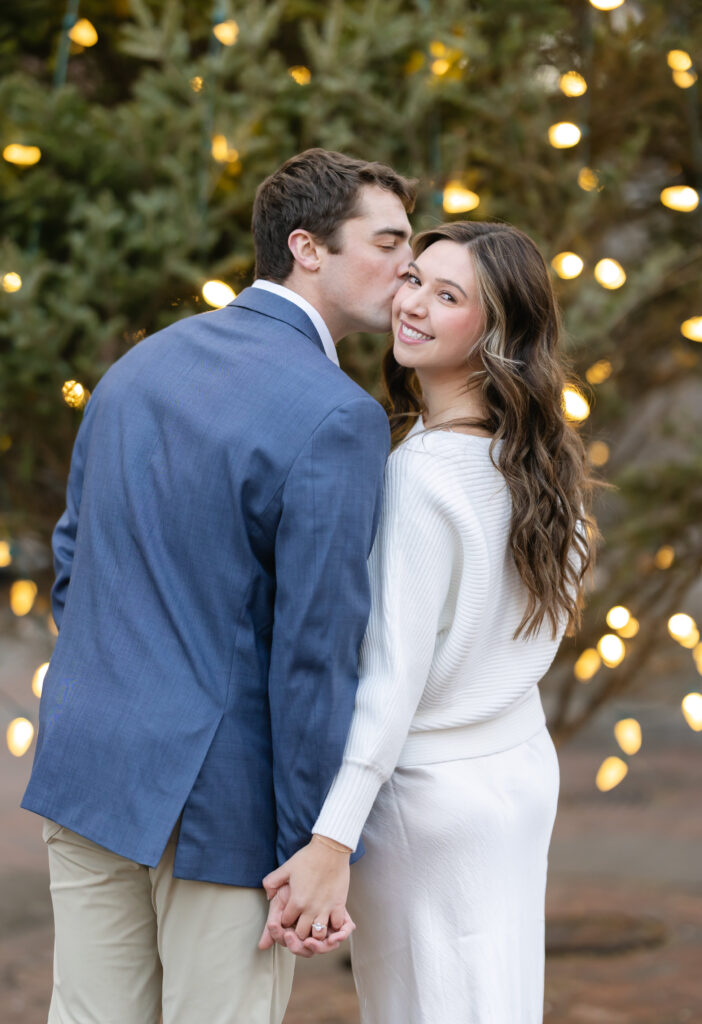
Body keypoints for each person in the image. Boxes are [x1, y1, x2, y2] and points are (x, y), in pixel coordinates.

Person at [21, 148, 415, 1024]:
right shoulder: (337, 415)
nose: (408, 268)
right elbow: (317, 653)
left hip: (87, 762)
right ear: (308, 247)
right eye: (388, 242)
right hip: (218, 804)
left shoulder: (136, 369)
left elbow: (74, 563)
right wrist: (315, 843)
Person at [260, 220, 596, 1023]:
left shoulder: (418, 476)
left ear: (494, 333)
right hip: (517, 775)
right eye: (414, 278)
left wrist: (331, 840)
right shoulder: (546, 461)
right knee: (501, 999)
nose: (411, 304)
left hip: (428, 801)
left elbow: (390, 679)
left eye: (448, 297)